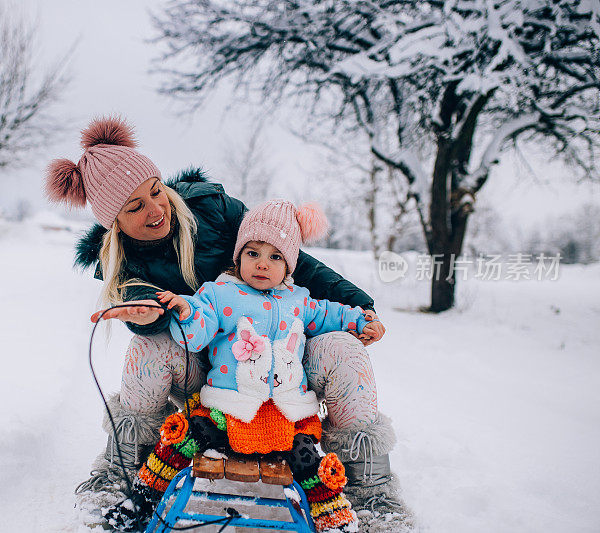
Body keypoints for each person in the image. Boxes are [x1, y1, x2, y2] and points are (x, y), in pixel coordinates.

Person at [45, 116, 413, 532]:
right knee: (145, 349)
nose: (155, 209)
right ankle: (123, 475)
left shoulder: (212, 210)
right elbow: (142, 306)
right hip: (208, 371)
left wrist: (360, 308)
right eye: (135, 207)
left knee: (346, 349)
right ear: (114, 221)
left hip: (284, 366)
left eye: (155, 191)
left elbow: (289, 255)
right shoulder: (121, 262)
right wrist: (149, 317)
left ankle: (371, 491)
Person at [103, 200, 380, 532]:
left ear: (289, 265)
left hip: (287, 417)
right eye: (253, 253)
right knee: (179, 440)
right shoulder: (220, 293)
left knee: (311, 465)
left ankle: (334, 519)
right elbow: (198, 326)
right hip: (225, 411)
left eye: (275, 256)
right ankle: (142, 501)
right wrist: (185, 310)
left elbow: (331, 313)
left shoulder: (300, 301)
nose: (262, 264)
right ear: (238, 256)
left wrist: (360, 320)